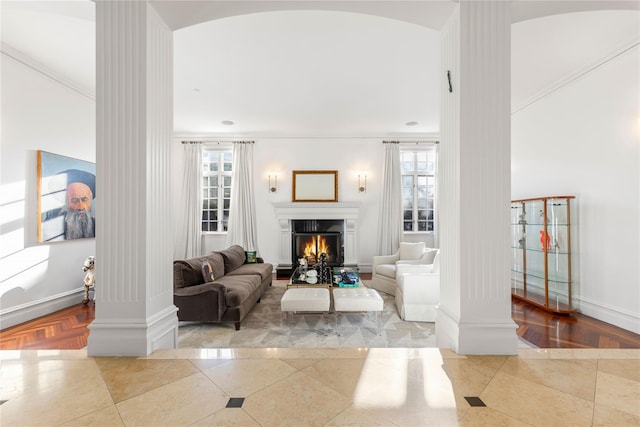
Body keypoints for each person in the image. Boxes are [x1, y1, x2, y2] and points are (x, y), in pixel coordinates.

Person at [61, 169, 96, 239]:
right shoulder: (55, 228)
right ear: (66, 202)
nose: (81, 207)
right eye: (74, 200)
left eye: (85, 199)